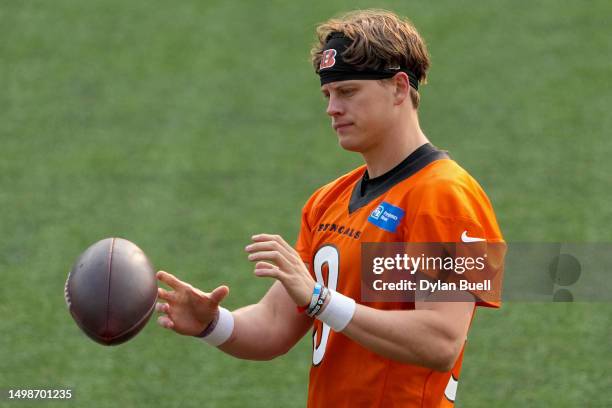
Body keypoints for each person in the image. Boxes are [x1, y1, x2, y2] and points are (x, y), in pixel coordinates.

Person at [155, 9, 504, 407]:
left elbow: (441, 340)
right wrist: (212, 324)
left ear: (399, 87)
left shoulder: (448, 196)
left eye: (348, 92)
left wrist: (320, 300)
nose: (332, 109)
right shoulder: (328, 201)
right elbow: (272, 326)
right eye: (328, 95)